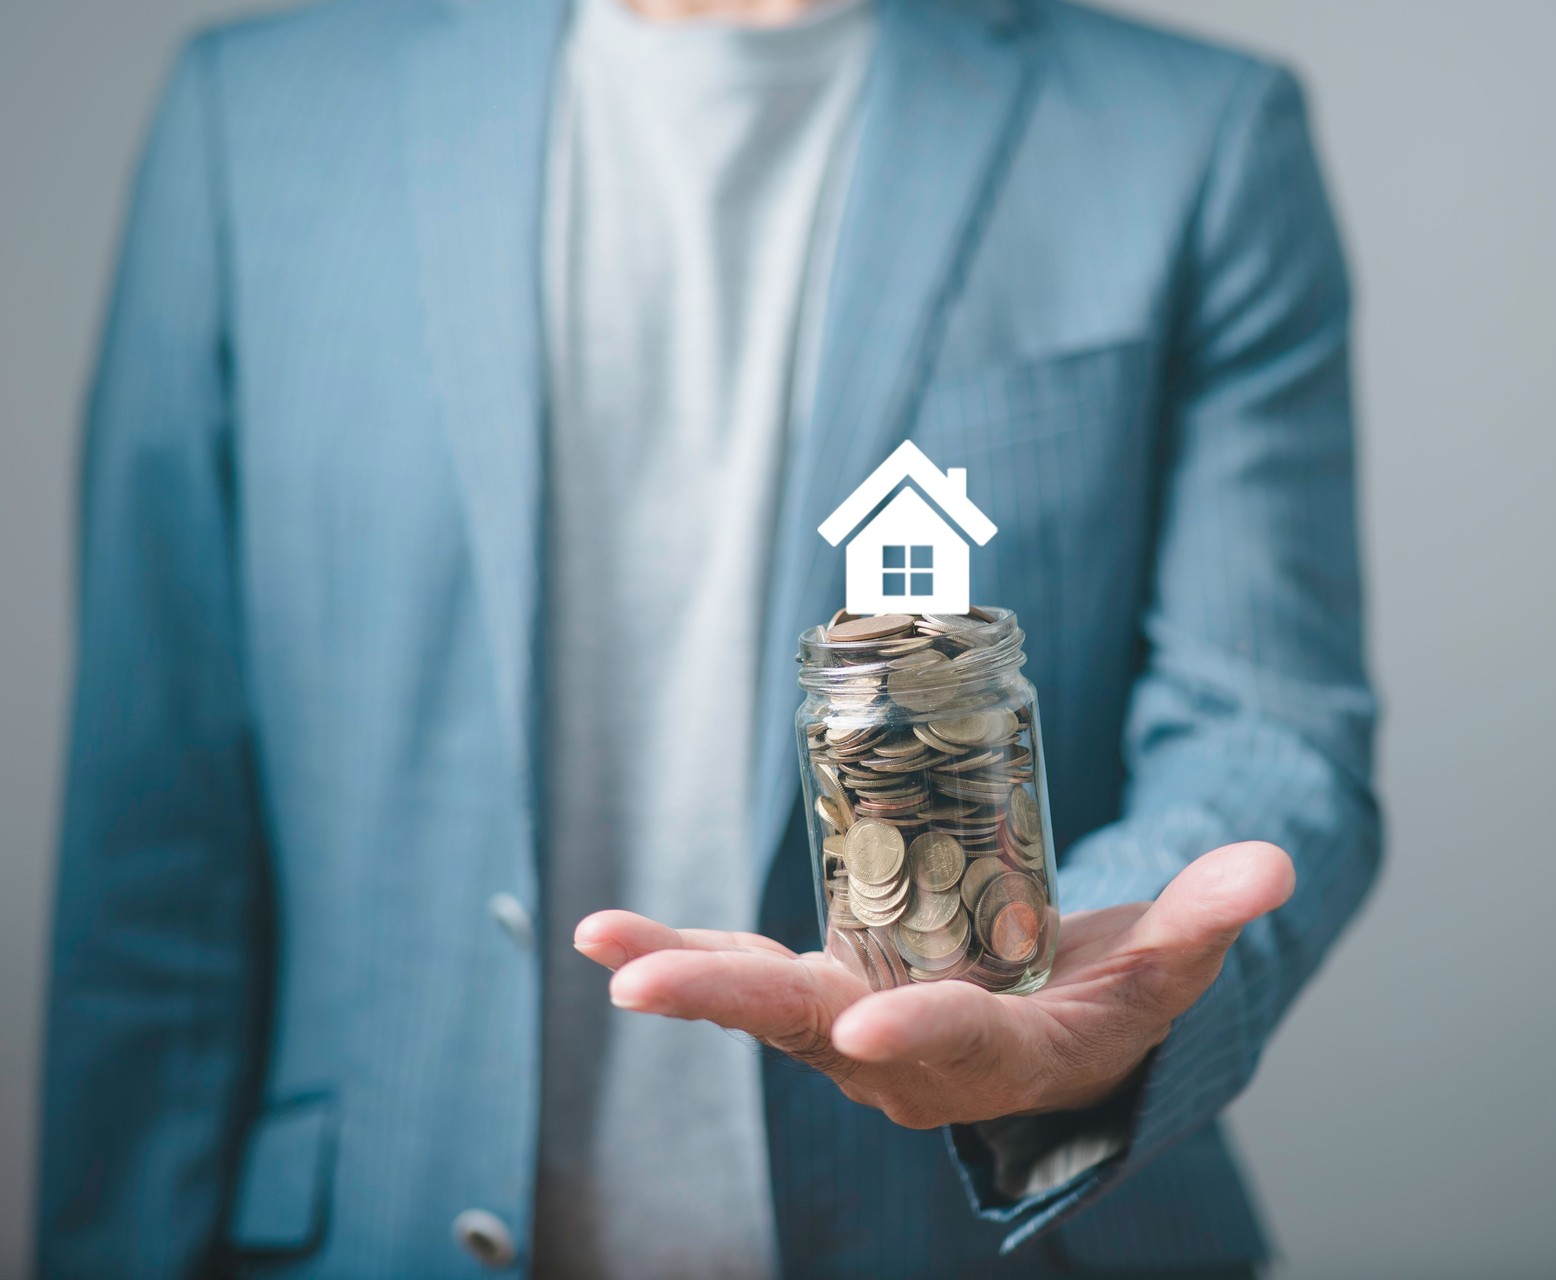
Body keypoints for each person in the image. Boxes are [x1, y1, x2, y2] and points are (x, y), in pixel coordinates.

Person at [37, 0, 1381, 1273]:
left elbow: (1263, 722)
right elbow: (156, 834)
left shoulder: (1191, 133)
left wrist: (1100, 996)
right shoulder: (256, 121)